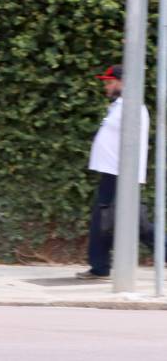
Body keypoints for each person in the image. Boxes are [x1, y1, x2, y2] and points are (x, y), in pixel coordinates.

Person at [77, 64, 158, 279]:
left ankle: (100, 267)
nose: (107, 87)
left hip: (121, 175)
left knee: (108, 220)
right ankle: (100, 266)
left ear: (123, 83)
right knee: (131, 223)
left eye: (110, 82)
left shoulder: (131, 108)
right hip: (114, 173)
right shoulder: (120, 107)